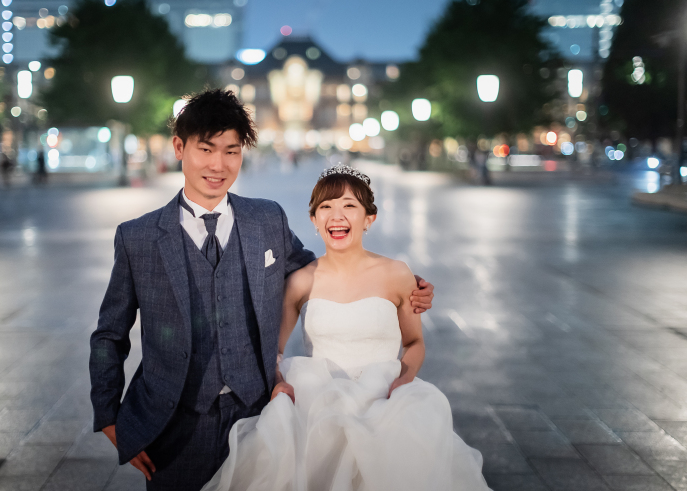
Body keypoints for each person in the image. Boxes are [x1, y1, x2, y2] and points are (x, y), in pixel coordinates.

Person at [89, 89, 435, 491]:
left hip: (260, 414)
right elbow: (110, 334)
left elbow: (319, 269)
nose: (218, 165)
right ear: (179, 148)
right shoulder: (139, 237)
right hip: (174, 426)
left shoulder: (266, 219)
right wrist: (109, 417)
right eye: (206, 149)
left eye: (231, 151)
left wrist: (400, 284)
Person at [202, 164, 489, 491]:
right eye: (325, 207)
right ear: (314, 220)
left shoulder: (397, 274)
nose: (336, 216)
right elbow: (274, 349)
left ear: (369, 218)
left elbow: (414, 342)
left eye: (349, 205)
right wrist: (279, 382)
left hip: (384, 402)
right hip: (316, 408)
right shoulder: (301, 281)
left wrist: (404, 381)